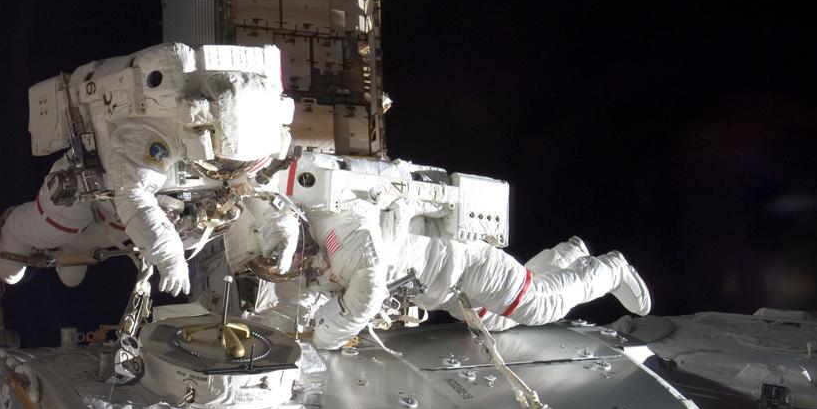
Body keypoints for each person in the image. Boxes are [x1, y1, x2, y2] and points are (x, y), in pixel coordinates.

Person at [0, 43, 294, 296]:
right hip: (92, 185)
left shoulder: (254, 136)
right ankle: (13, 235)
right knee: (50, 228)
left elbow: (258, 187)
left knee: (97, 239)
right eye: (222, 165)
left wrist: (278, 234)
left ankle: (74, 251)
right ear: (201, 128)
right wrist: (170, 256)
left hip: (130, 220)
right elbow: (133, 195)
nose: (225, 172)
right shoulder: (156, 128)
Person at [274, 153, 651, 350]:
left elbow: (367, 291)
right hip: (449, 288)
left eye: (287, 262)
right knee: (498, 323)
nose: (291, 269)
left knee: (539, 306)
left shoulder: (345, 239)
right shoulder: (326, 233)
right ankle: (569, 256)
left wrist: (326, 337)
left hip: (470, 268)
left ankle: (610, 270)